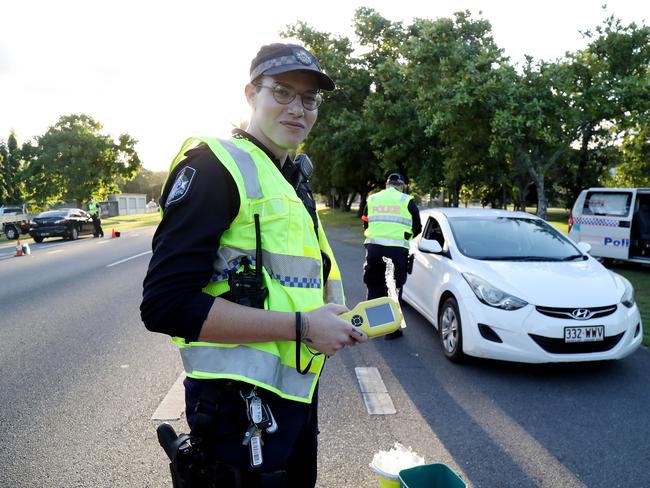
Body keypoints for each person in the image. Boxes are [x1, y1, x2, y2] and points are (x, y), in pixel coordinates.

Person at [140, 43, 367, 487]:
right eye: (282, 92)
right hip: (235, 413)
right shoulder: (214, 167)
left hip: (292, 401)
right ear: (250, 93)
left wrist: (326, 320)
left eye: (309, 99)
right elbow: (165, 306)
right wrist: (303, 326)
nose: (297, 108)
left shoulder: (290, 177)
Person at [361, 173, 422, 339]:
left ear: (387, 185)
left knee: (374, 286)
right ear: (401, 186)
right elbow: (418, 227)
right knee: (393, 289)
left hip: (374, 249)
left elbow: (365, 220)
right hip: (396, 252)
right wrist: (404, 238)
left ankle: (372, 328)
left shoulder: (373, 199)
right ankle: (391, 330)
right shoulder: (406, 200)